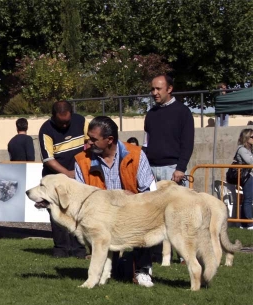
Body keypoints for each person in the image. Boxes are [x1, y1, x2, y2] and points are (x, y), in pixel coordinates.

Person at [75, 116, 157, 287]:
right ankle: (103, 271)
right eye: (88, 138)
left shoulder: (136, 154)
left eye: (94, 139)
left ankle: (143, 270)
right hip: (99, 215)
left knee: (145, 217)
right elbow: (81, 198)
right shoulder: (81, 161)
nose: (89, 143)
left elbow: (149, 193)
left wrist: (131, 201)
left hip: (133, 210)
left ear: (110, 140)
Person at [143, 75, 194, 262]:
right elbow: (146, 142)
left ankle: (184, 255)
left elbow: (187, 143)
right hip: (151, 168)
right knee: (154, 214)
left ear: (169, 89)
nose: (154, 93)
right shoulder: (151, 113)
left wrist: (180, 168)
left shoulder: (183, 112)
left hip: (172, 169)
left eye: (158, 89)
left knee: (179, 213)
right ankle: (157, 253)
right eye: (152, 89)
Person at [38, 100, 88, 258]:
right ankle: (61, 248)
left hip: (78, 175)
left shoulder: (81, 121)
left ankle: (79, 249)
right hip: (55, 176)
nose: (65, 126)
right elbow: (48, 160)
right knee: (56, 211)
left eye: (67, 122)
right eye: (61, 123)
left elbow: (90, 142)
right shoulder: (46, 129)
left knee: (78, 211)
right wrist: (67, 173)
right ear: (53, 117)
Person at [233, 128, 253, 230]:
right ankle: (248, 224)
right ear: (246, 137)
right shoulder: (242, 149)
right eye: (252, 137)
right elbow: (250, 162)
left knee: (248, 199)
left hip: (250, 176)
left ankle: (244, 223)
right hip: (247, 177)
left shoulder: (249, 149)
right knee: (248, 199)